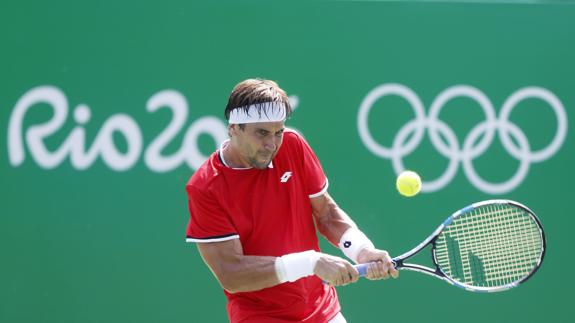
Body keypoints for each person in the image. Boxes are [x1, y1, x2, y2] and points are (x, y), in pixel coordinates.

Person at [185, 78, 398, 323]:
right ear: (234, 128)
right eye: (262, 133)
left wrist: (361, 250)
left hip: (322, 310)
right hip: (260, 317)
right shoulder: (205, 187)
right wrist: (311, 262)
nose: (271, 144)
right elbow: (231, 274)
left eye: (278, 133)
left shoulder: (293, 145)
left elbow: (326, 212)